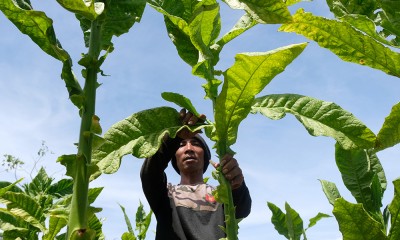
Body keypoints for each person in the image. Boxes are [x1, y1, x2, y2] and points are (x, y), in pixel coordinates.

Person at [140, 109, 252, 240]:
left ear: (205, 157)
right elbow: (150, 173)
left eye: (195, 144)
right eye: (181, 144)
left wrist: (236, 183)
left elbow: (242, 209)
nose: (189, 149)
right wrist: (174, 137)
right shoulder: (166, 194)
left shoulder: (221, 194)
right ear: (174, 156)